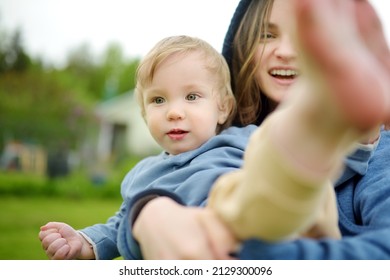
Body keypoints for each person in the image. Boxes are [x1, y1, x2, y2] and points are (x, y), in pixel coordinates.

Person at [130, 0, 390, 260]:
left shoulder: (381, 152)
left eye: (302, 35)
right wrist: (148, 211)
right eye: (266, 35)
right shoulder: (212, 140)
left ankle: (322, 123)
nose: (286, 51)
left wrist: (237, 254)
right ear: (242, 46)